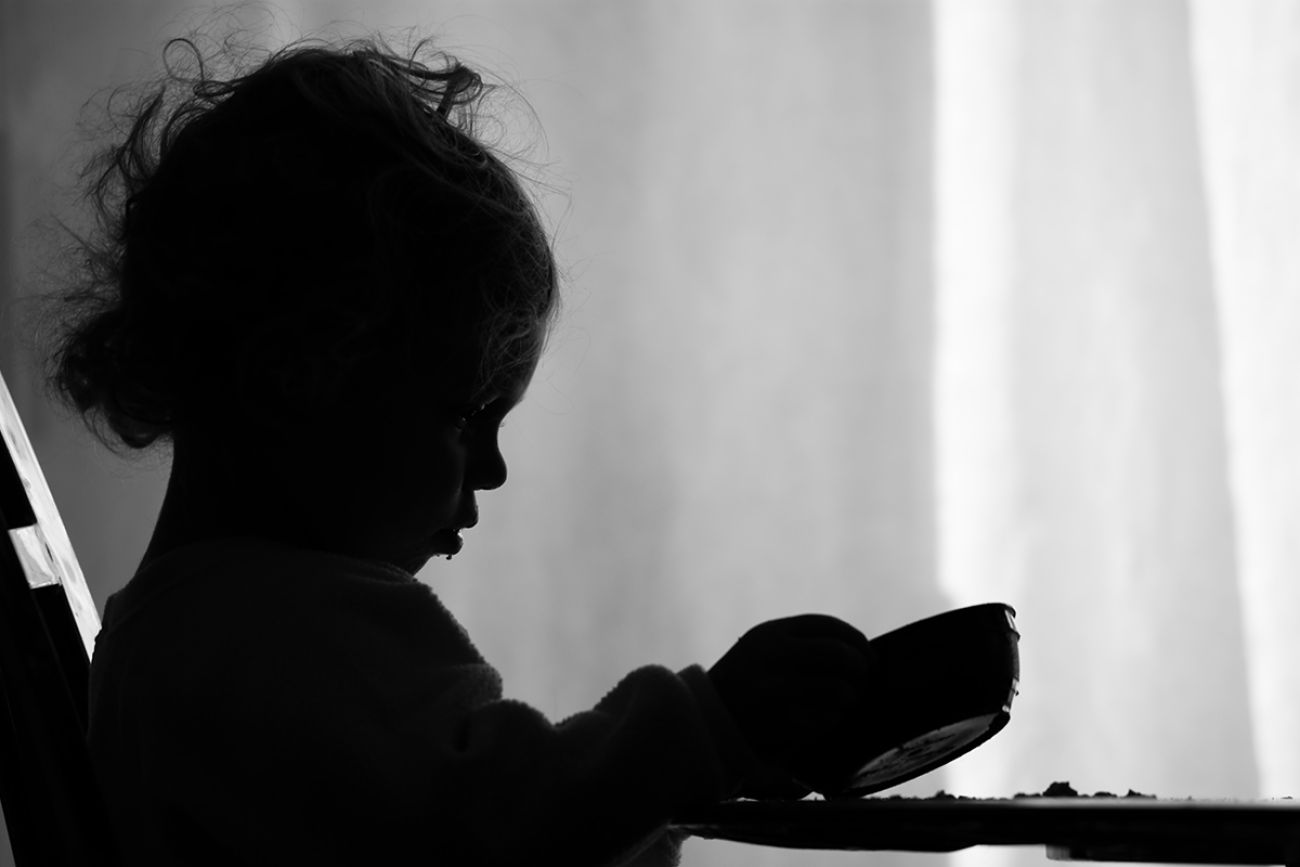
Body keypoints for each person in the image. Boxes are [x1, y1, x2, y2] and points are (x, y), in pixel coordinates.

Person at [28, 30, 880, 867]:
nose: (496, 470)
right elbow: (504, 828)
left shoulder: (187, 630)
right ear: (298, 372)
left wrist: (693, 775)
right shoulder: (279, 637)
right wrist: (708, 725)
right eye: (468, 416)